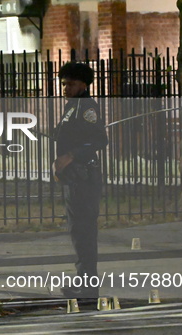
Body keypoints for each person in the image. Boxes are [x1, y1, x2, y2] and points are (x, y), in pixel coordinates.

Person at [52, 62, 108, 300]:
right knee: (78, 231)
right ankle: (83, 280)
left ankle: (88, 285)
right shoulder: (71, 107)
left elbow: (99, 140)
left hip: (84, 176)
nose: (66, 88)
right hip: (74, 177)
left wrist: (71, 155)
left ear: (83, 84)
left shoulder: (86, 107)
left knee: (84, 231)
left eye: (71, 84)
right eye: (63, 83)